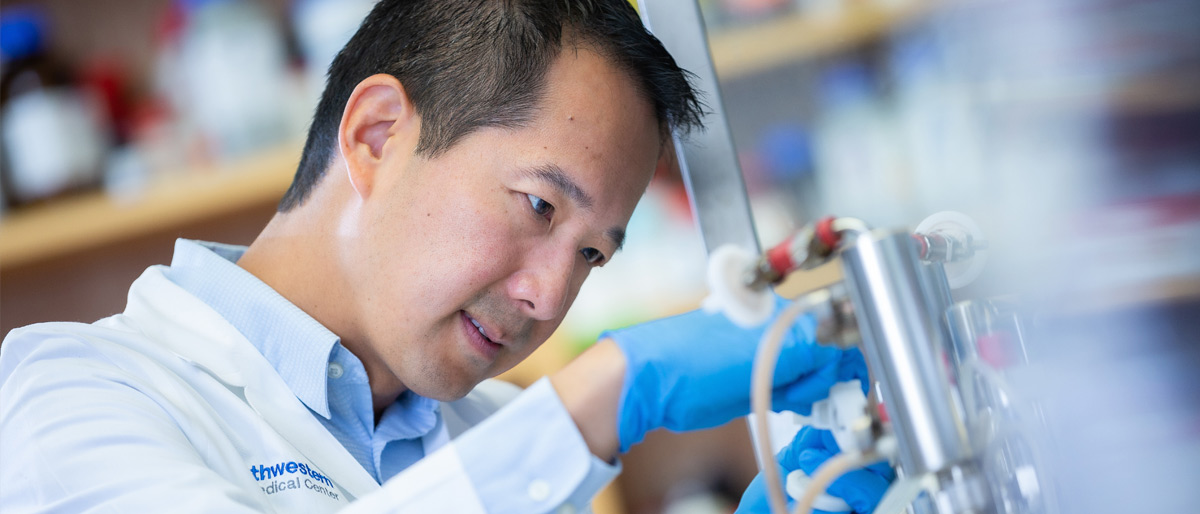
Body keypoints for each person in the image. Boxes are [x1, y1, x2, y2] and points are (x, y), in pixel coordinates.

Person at [0, 1, 888, 512]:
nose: (550, 298)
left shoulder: (495, 434)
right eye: (539, 205)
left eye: (590, 255)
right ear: (379, 135)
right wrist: (603, 395)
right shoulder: (70, 394)